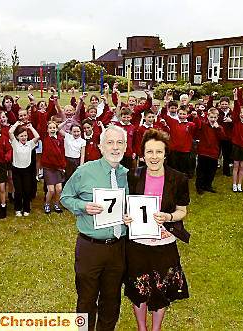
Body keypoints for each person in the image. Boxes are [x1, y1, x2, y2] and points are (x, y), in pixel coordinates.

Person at [61, 125, 129, 331]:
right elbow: (65, 197)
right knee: (86, 300)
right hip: (90, 247)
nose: (115, 148)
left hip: (118, 248)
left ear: (126, 147)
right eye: (110, 142)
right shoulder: (84, 171)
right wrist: (83, 206)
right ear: (100, 146)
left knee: (112, 300)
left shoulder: (128, 175)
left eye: (120, 143)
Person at [123, 129, 190, 331]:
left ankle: (156, 329)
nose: (154, 157)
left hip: (164, 244)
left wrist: (169, 217)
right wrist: (126, 217)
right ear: (142, 154)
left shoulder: (178, 179)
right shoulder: (133, 176)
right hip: (138, 244)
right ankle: (142, 328)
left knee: (160, 290)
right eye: (149, 152)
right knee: (139, 288)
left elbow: (182, 211)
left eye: (158, 152)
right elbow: (127, 205)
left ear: (165, 154)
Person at [9, 121, 40, 217]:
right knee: (18, 191)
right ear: (17, 137)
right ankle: (18, 209)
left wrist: (30, 127)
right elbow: (10, 132)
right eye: (21, 136)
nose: (24, 138)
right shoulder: (14, 143)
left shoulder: (30, 144)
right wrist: (16, 124)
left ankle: (26, 208)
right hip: (16, 170)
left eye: (25, 136)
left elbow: (37, 137)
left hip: (27, 170)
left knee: (27, 190)